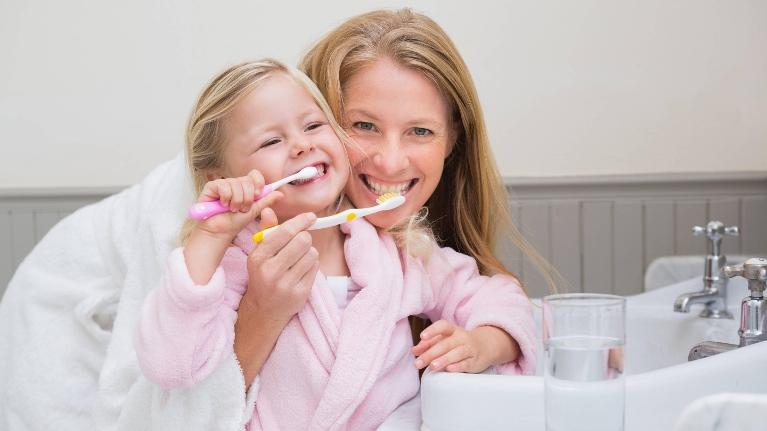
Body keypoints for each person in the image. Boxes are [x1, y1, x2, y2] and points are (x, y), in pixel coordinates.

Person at [133, 58, 534, 430]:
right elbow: (173, 366)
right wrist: (211, 236)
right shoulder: (233, 263)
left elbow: (498, 297)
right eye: (271, 141)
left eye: (313, 126)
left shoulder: (398, 253)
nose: (302, 145)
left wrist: (482, 343)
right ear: (220, 175)